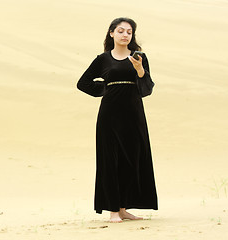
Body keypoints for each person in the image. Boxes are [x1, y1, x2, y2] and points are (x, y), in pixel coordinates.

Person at [77, 17, 158, 223]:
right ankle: (113, 210)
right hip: (110, 115)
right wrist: (107, 88)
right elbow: (83, 83)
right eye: (121, 31)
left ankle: (123, 209)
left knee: (132, 159)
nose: (125, 35)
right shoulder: (103, 59)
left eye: (129, 32)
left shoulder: (139, 58)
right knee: (110, 160)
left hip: (134, 114)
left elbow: (146, 89)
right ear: (111, 33)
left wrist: (140, 70)